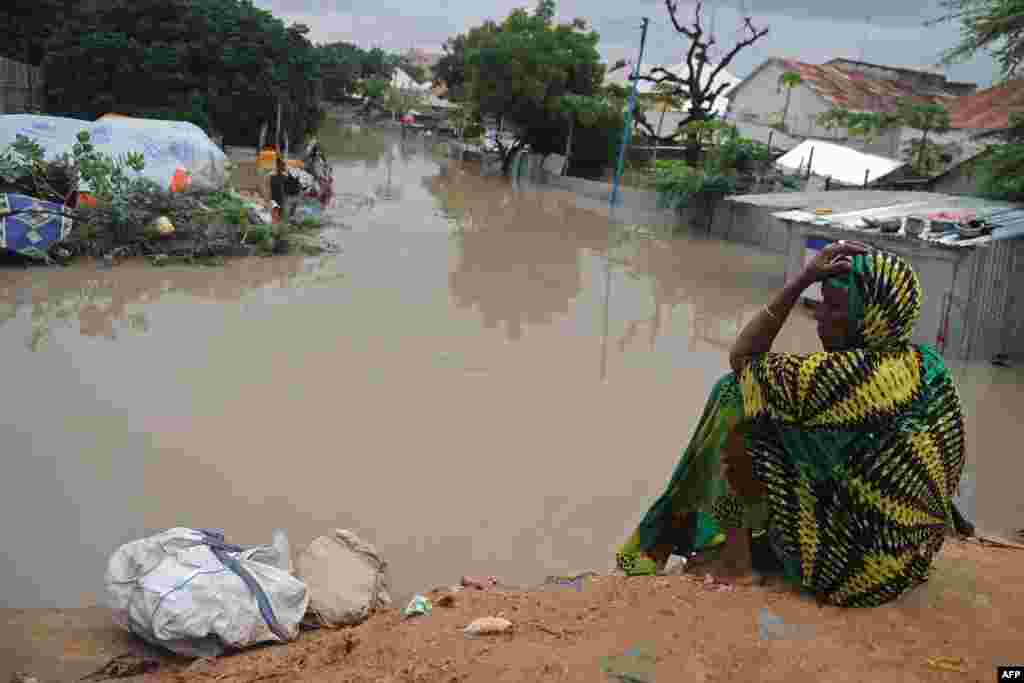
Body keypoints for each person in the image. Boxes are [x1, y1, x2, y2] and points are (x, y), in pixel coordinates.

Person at [616, 241, 970, 607]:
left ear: (870, 318)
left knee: (735, 396)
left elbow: (743, 358)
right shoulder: (927, 364)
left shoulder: (835, 379)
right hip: (908, 560)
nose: (818, 313)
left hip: (852, 574)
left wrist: (801, 280)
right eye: (820, 298)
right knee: (786, 417)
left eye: (833, 306)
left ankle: (734, 560)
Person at [269, 157, 301, 223]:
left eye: (283, 166)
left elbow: (292, 185)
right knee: (277, 215)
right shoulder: (272, 176)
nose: (283, 167)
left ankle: (283, 223)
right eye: (281, 166)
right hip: (275, 199)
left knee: (283, 215)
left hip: (282, 198)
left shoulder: (285, 176)